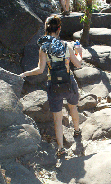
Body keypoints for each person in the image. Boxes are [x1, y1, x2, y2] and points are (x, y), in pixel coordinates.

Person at [20, 14, 82, 157]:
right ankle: (77, 130)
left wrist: (25, 74)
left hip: (53, 85)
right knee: (73, 107)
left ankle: (60, 148)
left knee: (57, 118)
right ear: (59, 29)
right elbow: (78, 64)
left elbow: (40, 70)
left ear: (46, 29)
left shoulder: (44, 48)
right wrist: (80, 52)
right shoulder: (67, 45)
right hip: (69, 83)